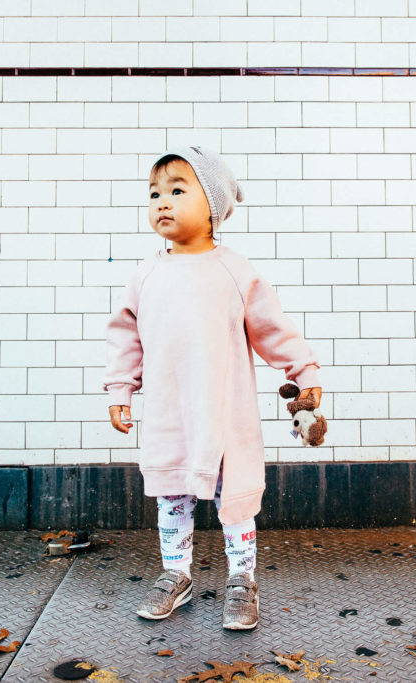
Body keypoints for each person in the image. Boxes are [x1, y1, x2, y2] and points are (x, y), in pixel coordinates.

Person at [102, 145, 323, 630]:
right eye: (155, 193)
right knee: (171, 494)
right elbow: (125, 335)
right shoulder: (146, 272)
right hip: (170, 411)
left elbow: (272, 329)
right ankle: (175, 574)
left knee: (235, 497)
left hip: (225, 412)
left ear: (213, 208)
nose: (163, 201)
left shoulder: (235, 270)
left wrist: (303, 375)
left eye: (178, 190)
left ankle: (242, 579)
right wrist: (121, 390)